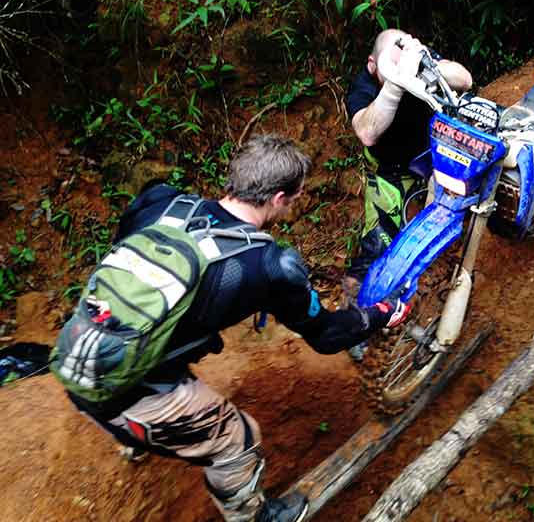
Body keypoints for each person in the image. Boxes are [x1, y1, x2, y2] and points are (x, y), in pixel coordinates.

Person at [62, 135, 411, 522]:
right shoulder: (269, 265)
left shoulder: (159, 200)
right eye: (294, 198)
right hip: (117, 396)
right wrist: (381, 313)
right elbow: (327, 336)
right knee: (238, 437)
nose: (293, 204)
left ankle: (137, 437)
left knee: (167, 344)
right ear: (279, 198)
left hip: (79, 345)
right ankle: (253, 516)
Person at [341, 29, 473, 301]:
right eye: (391, 62)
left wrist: (425, 64)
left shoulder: (417, 60)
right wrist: (394, 83)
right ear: (371, 64)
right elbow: (366, 132)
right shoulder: (363, 85)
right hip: (392, 168)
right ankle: (357, 312)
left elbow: (465, 79)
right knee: (379, 243)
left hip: (434, 156)